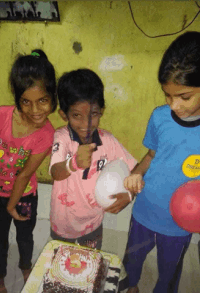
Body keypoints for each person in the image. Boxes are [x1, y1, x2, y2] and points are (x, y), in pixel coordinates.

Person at [117, 31, 200, 293]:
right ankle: (132, 289)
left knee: (169, 271)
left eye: (184, 96)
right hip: (146, 211)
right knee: (133, 257)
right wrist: (137, 172)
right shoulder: (160, 117)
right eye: (168, 95)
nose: (174, 104)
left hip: (179, 224)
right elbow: (151, 155)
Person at [0, 49, 57, 293]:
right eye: (26, 101)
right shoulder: (2, 116)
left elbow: (24, 175)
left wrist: (13, 205)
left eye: (43, 100)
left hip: (23, 196)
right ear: (17, 98)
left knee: (25, 237)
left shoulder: (46, 134)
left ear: (53, 97)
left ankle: (26, 268)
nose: (35, 110)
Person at [49, 68, 137, 249]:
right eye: (76, 116)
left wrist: (129, 194)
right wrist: (73, 163)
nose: (86, 124)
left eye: (93, 114)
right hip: (63, 224)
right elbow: (55, 173)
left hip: (93, 224)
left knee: (90, 267)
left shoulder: (108, 141)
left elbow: (134, 169)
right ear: (64, 114)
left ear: (102, 111)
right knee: (62, 267)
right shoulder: (62, 137)